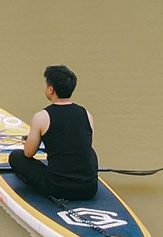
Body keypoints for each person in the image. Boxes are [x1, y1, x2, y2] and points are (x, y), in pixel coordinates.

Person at [6, 65, 99, 200]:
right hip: (89, 189)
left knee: (16, 156)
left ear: (51, 90)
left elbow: (28, 153)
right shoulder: (86, 114)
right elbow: (84, 147)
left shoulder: (42, 116)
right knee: (92, 153)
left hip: (57, 188)